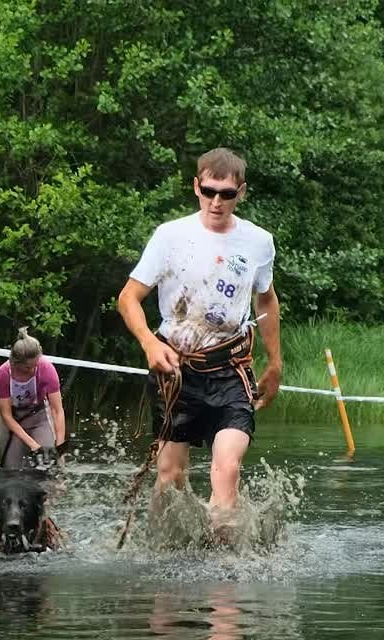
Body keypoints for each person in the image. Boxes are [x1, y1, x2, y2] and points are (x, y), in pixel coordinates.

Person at [116, 147, 282, 529]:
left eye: (226, 193)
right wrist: (149, 342)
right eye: (209, 191)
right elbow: (128, 298)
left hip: (231, 370)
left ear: (241, 193)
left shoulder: (258, 242)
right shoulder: (170, 236)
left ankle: (222, 570)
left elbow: (267, 298)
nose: (216, 201)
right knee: (170, 477)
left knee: (226, 467)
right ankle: (164, 553)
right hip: (175, 370)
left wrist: (275, 363)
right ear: (196, 187)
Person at [0, 328, 67, 469]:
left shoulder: (46, 368)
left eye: (36, 364)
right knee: (11, 470)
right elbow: (6, 415)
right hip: (13, 420)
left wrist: (60, 447)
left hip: (39, 417)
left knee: (49, 467)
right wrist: (32, 444)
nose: (34, 369)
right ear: (15, 363)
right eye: (28, 367)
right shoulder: (3, 373)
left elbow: (57, 411)